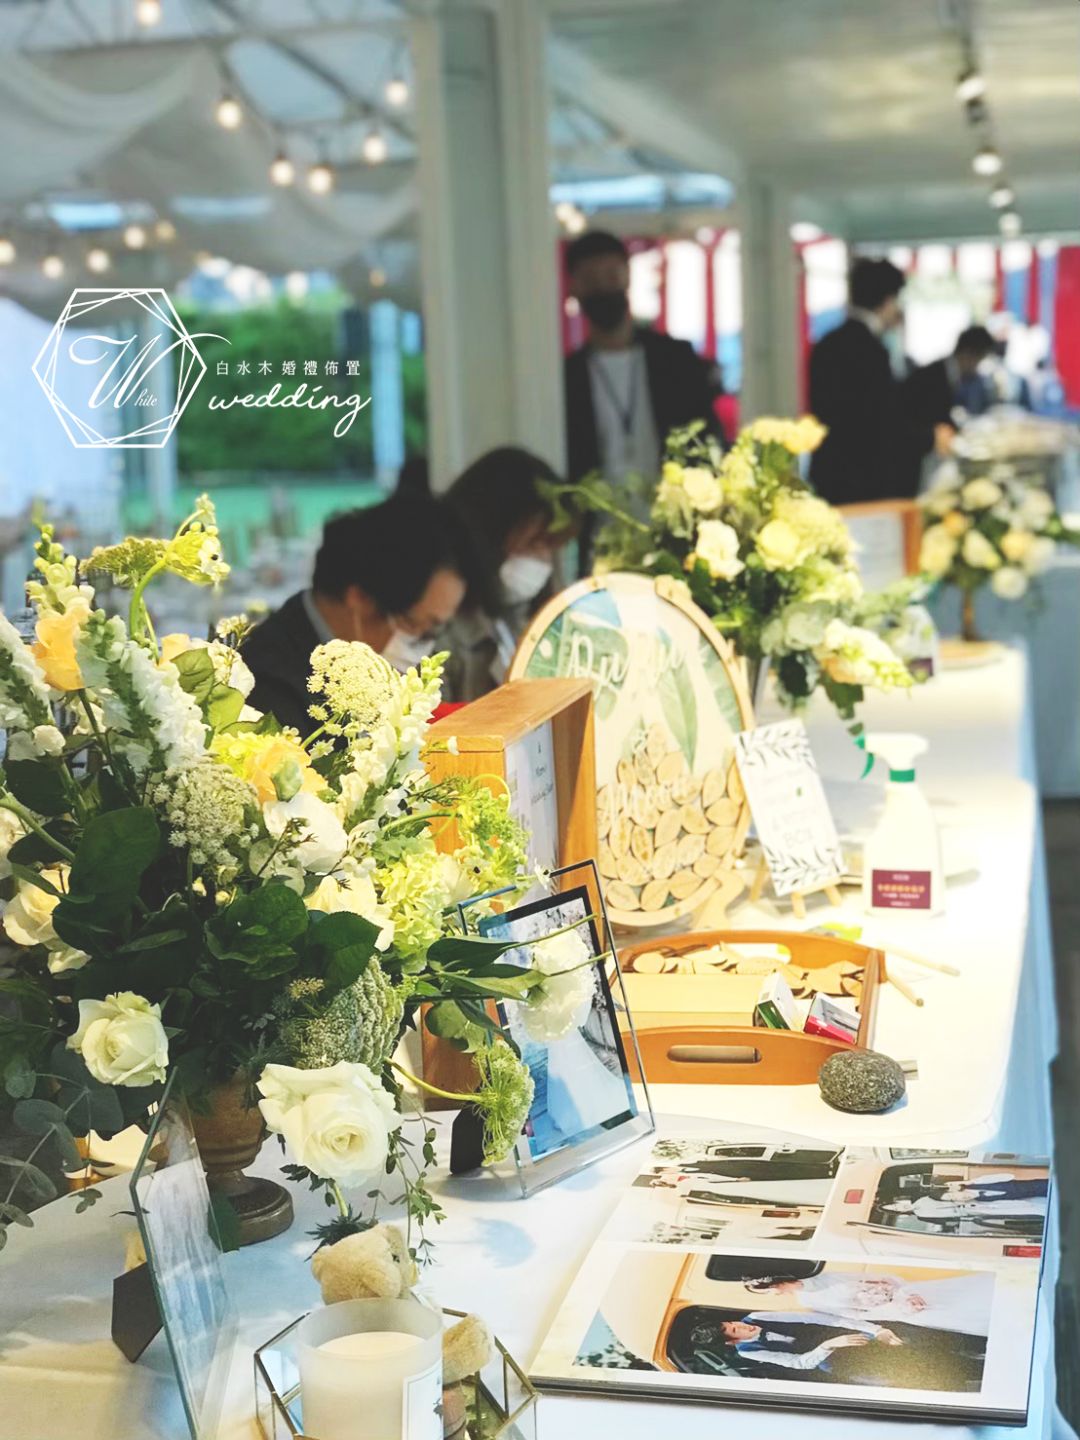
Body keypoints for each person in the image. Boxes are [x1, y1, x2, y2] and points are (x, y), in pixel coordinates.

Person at [241, 495, 466, 735]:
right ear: (360, 598)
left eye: (432, 631)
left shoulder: (367, 659)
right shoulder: (269, 687)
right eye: (412, 625)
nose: (419, 649)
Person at [563, 230, 718, 507]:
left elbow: (707, 438)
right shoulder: (567, 377)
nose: (603, 289)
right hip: (598, 526)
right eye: (591, 280)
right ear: (574, 287)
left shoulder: (676, 360)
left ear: (627, 275)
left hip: (675, 519)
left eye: (611, 276)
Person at [440, 447, 573, 702]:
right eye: (534, 543)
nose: (544, 559)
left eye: (552, 546)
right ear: (489, 533)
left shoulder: (521, 619)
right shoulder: (440, 633)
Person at [809, 257, 929, 505]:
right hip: (863, 480)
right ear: (888, 300)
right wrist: (927, 437)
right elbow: (881, 419)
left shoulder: (826, 343)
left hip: (829, 471)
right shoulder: (871, 350)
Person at [903, 326, 997, 442]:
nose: (978, 368)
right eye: (979, 360)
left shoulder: (947, 371)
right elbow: (929, 419)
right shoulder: (933, 377)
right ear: (968, 353)